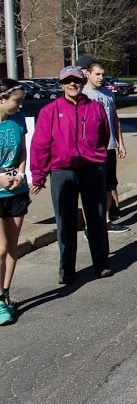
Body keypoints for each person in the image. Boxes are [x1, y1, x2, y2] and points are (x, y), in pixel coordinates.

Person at [30, 66, 111, 283]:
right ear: (61, 85)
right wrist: (38, 175)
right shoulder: (49, 111)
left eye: (77, 80)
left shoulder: (95, 108)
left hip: (92, 170)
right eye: (68, 81)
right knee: (64, 221)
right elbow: (40, 145)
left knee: (96, 218)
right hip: (62, 171)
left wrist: (96, 156)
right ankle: (67, 268)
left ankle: (101, 264)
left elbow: (104, 135)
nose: (73, 84)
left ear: (83, 82)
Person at [82, 61, 129, 233]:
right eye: (97, 74)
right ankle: (90, 225)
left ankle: (107, 221)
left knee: (109, 185)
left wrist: (120, 143)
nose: (101, 78)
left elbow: (115, 119)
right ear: (88, 74)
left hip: (109, 146)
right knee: (92, 188)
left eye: (102, 74)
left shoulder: (108, 94)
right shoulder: (83, 95)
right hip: (92, 150)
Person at [0, 80, 28, 325]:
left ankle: (5, 294)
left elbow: (22, 152)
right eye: (16, 101)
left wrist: (20, 174)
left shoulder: (18, 119)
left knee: (11, 247)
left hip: (17, 192)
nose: (20, 105)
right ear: (1, 99)